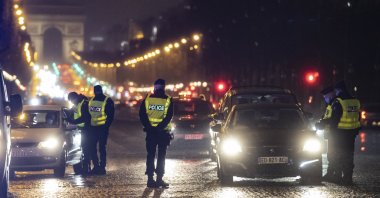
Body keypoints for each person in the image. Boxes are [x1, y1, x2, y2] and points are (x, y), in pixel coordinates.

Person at [139, 79, 173, 188]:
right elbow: (169, 116)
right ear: (164, 87)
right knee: (161, 156)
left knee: (150, 155)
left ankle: (150, 180)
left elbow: (142, 115)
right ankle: (159, 180)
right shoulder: (168, 100)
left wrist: (149, 127)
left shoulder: (148, 99)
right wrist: (160, 127)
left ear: (154, 87)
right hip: (162, 133)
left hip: (150, 133)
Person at [329, 81, 361, 185]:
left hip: (340, 134)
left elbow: (335, 120)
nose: (336, 93)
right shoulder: (355, 101)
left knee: (340, 155)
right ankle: (348, 177)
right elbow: (358, 118)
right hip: (351, 134)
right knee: (349, 156)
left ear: (340, 90)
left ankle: (339, 177)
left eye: (336, 90)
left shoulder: (339, 102)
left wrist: (332, 132)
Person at [88, 85, 115, 175]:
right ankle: (99, 167)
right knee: (99, 148)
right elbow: (110, 116)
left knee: (98, 148)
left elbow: (110, 116)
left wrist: (106, 126)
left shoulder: (98, 100)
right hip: (96, 128)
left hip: (99, 128)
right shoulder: (94, 100)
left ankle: (99, 167)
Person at [315, 86, 338, 182]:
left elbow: (333, 119)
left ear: (331, 94)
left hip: (335, 134)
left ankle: (332, 175)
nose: (325, 98)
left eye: (326, 96)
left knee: (333, 155)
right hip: (331, 134)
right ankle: (331, 174)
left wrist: (323, 123)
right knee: (331, 155)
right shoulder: (331, 104)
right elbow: (326, 117)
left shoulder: (335, 103)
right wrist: (321, 122)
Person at [67, 92, 92, 175]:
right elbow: (71, 112)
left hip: (86, 130)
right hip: (80, 130)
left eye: (72, 100)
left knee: (86, 150)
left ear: (75, 98)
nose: (72, 102)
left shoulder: (84, 104)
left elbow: (85, 118)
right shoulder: (77, 105)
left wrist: (73, 121)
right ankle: (82, 169)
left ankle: (86, 169)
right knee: (81, 149)